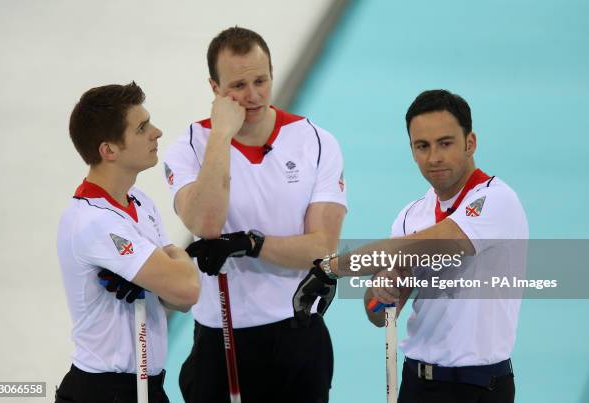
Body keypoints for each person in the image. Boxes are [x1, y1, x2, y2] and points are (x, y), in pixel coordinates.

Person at [294, 89, 527, 403]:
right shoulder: (410, 215)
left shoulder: (495, 199)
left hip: (479, 386)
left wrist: (330, 269)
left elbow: (423, 246)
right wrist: (380, 292)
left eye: (445, 143)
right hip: (417, 382)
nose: (434, 157)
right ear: (412, 150)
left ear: (470, 142)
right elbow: (380, 314)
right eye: (423, 146)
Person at [163, 27, 348, 403]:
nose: (253, 96)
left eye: (261, 81)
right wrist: (222, 135)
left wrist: (250, 245)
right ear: (214, 88)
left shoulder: (315, 141)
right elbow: (206, 223)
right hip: (223, 335)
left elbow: (323, 247)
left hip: (298, 332)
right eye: (238, 86)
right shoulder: (188, 148)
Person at [55, 82, 200, 403]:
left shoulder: (140, 202)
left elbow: (182, 300)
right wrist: (171, 267)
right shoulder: (94, 221)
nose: (157, 132)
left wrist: (165, 275)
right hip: (103, 391)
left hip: (148, 386)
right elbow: (186, 287)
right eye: (142, 128)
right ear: (109, 151)